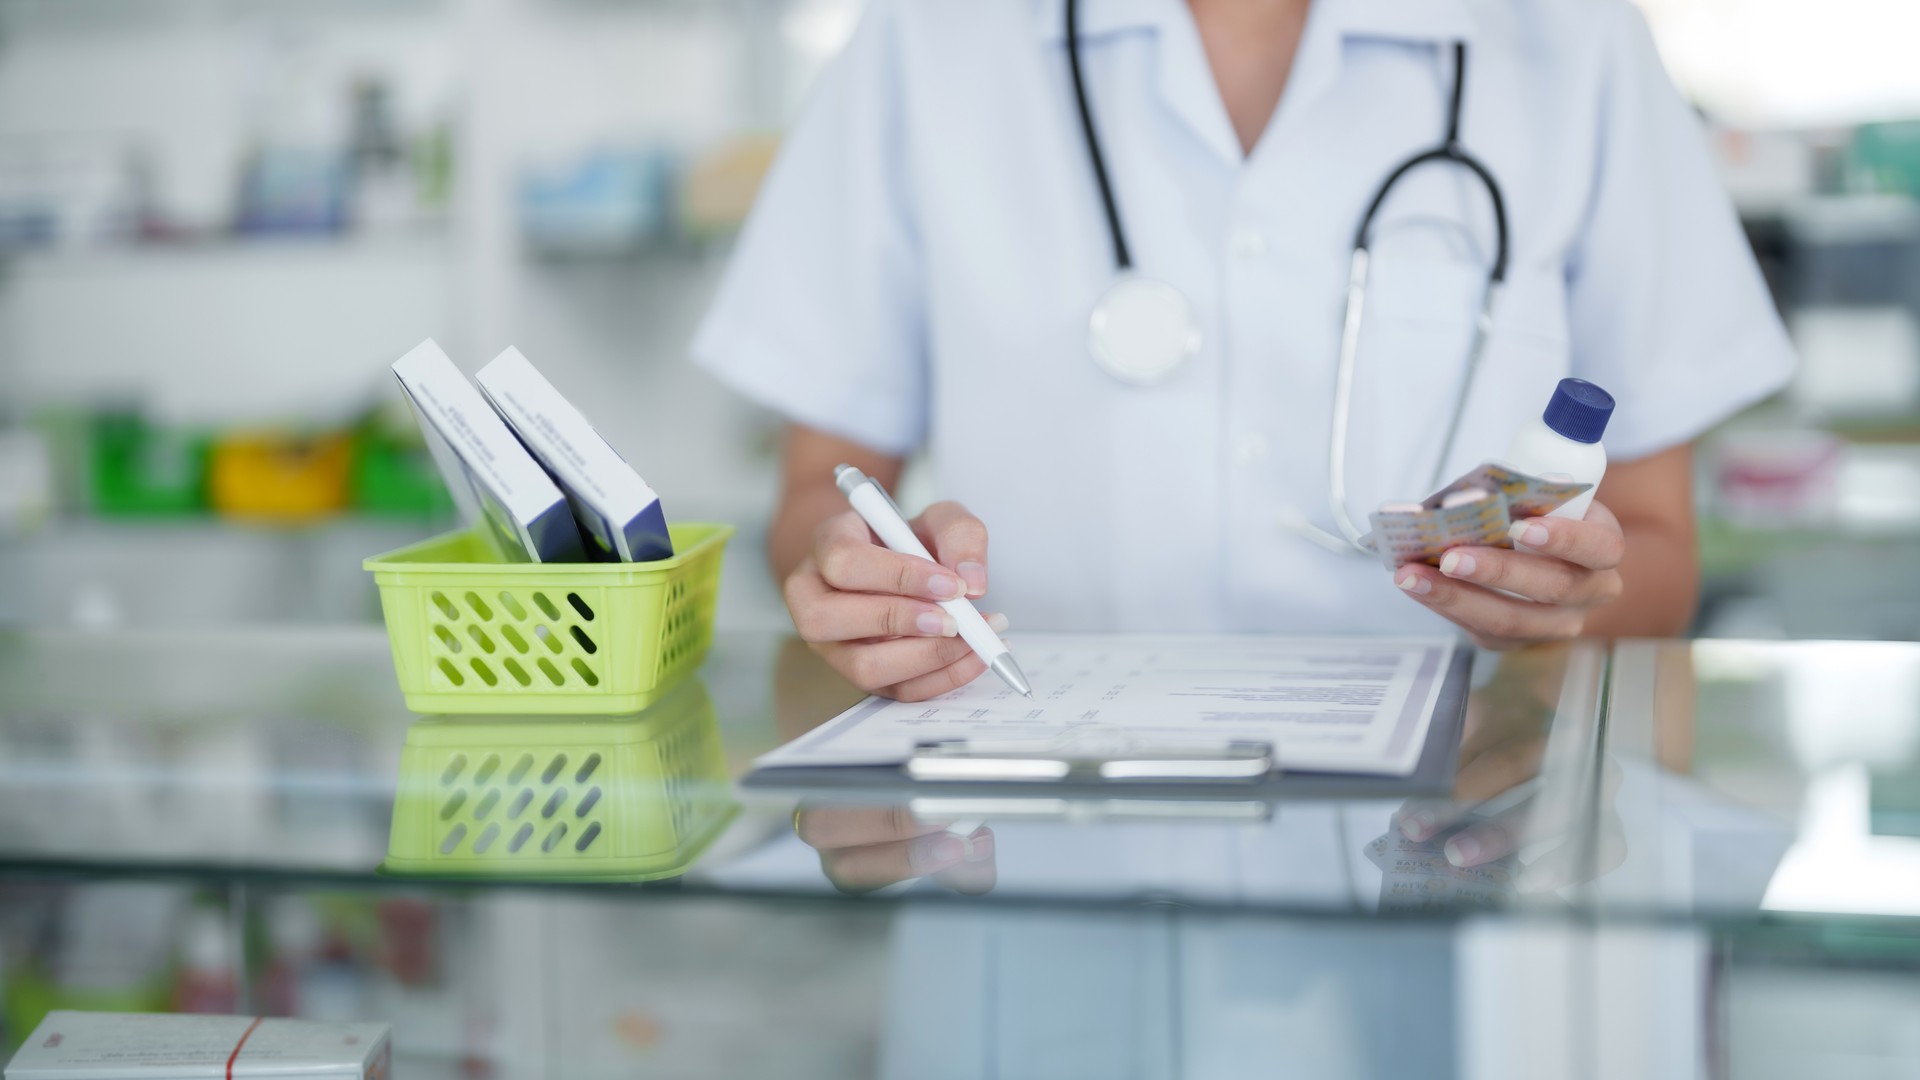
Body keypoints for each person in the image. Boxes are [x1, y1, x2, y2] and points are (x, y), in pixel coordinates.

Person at [693, 0, 1795, 701]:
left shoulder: (1568, 35)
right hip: (1036, 846)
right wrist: (859, 580)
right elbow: (816, 503)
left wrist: (1557, 607)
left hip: (1449, 846)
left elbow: (1656, 548)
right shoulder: (925, 36)